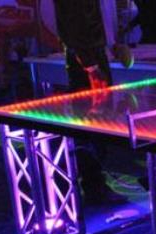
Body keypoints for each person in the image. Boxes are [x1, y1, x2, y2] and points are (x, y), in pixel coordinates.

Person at [53, 0, 125, 204]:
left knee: (95, 124)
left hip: (91, 56)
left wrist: (110, 46)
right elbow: (75, 27)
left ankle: (92, 185)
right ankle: (93, 187)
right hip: (86, 61)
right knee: (91, 126)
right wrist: (91, 66)